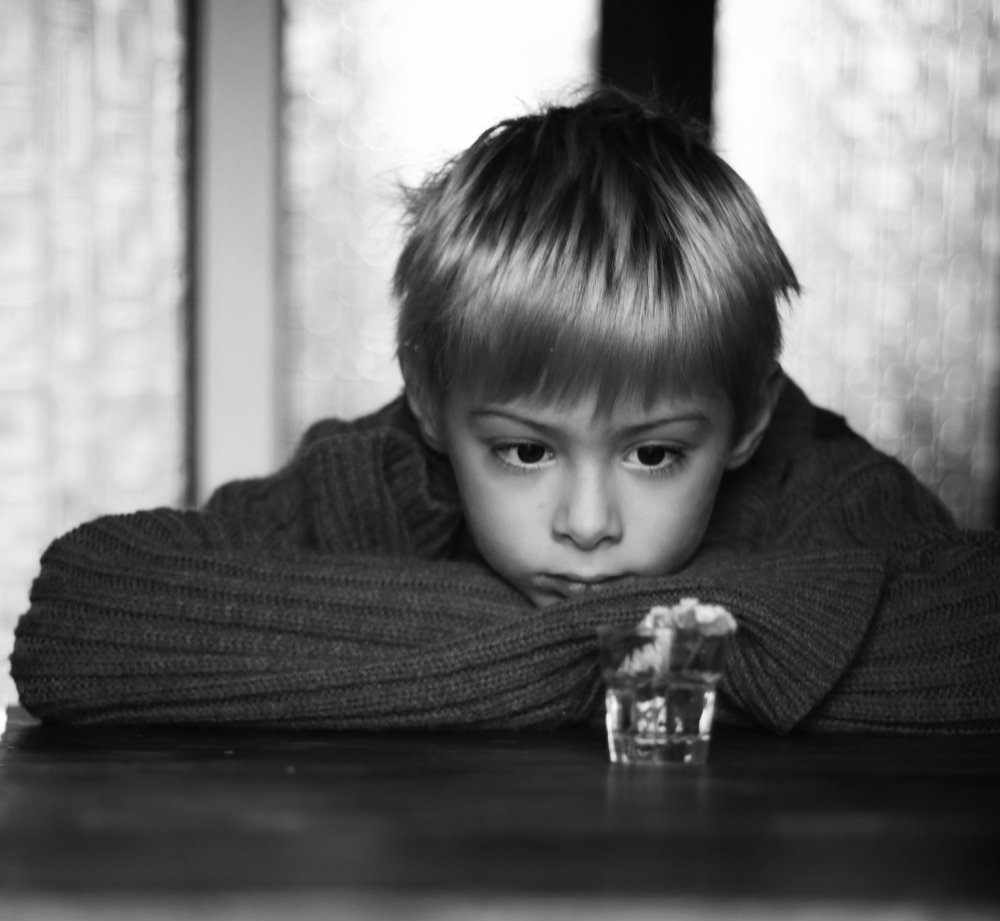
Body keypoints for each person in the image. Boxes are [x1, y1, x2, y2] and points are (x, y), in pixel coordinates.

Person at [11, 89, 1000, 733]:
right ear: (429, 403)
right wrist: (640, 653)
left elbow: (977, 641)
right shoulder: (380, 478)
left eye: (654, 455)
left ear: (746, 420)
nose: (587, 524)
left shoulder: (810, 478)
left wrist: (414, 669)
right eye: (526, 452)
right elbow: (83, 615)